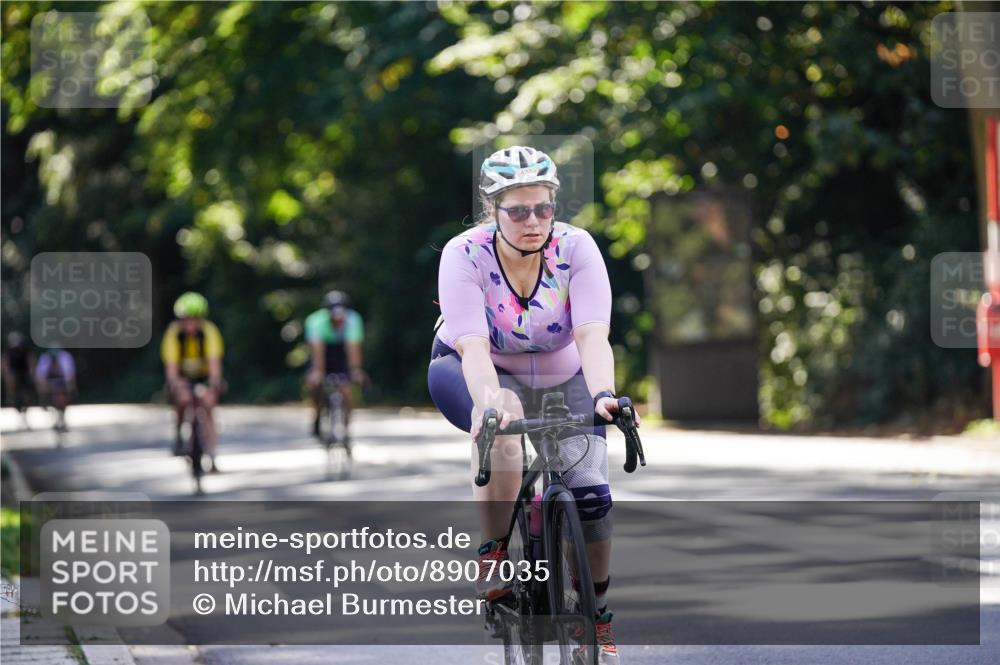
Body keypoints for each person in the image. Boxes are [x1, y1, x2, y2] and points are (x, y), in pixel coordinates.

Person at [427, 146, 638, 664]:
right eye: (517, 211)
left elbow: (592, 335)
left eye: (543, 208)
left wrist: (604, 395)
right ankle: (495, 551)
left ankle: (600, 613)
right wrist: (491, 399)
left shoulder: (576, 247)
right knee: (500, 435)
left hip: (565, 369)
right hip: (477, 365)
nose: (533, 221)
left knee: (591, 495)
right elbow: (473, 346)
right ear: (492, 210)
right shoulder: (464, 252)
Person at [160, 292, 225, 471]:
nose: (190, 324)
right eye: (186, 319)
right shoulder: (173, 334)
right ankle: (179, 435)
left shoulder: (209, 332)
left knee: (209, 406)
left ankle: (212, 456)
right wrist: (175, 383)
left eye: (194, 319)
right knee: (183, 399)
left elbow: (214, 366)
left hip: (203, 376)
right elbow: (171, 369)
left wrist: (214, 384)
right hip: (182, 377)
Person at [304, 290, 365, 444]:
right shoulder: (315, 321)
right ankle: (317, 414)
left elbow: (353, 348)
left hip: (340, 353)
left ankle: (346, 430)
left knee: (346, 390)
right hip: (323, 352)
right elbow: (317, 350)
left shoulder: (353, 320)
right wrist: (318, 372)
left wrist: (356, 370)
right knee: (315, 385)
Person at [34, 345, 76, 432]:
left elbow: (69, 374)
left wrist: (69, 387)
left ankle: (62, 415)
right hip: (50, 382)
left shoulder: (65, 357)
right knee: (48, 396)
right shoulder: (45, 358)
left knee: (64, 396)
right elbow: (41, 376)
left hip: (62, 382)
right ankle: (49, 407)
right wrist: (44, 388)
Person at [2, 332, 35, 426]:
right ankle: (11, 396)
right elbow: (5, 364)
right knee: (12, 386)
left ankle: (26, 406)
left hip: (24, 373)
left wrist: (31, 375)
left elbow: (31, 362)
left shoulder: (25, 350)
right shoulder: (9, 351)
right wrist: (7, 379)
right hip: (14, 374)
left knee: (27, 395)